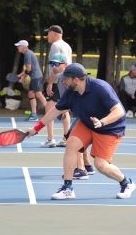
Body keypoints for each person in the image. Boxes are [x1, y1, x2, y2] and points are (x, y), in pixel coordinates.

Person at [29, 63, 135, 200]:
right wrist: (35, 128)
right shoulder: (71, 92)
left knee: (100, 165)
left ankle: (126, 183)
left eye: (65, 78)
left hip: (110, 128)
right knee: (71, 144)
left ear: (76, 79)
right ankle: (67, 188)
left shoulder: (100, 88)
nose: (62, 81)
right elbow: (56, 110)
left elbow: (119, 111)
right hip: (87, 123)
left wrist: (102, 122)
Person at [48, 53, 95, 180]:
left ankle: (81, 170)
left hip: (85, 112)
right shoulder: (59, 78)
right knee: (77, 138)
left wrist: (63, 109)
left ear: (65, 65)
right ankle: (87, 165)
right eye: (52, 63)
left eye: (57, 63)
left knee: (74, 138)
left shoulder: (70, 79)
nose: (54, 66)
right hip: (78, 111)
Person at [43, 25, 72, 147]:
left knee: (49, 109)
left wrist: (50, 83)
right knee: (64, 110)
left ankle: (50, 140)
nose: (47, 36)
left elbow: (58, 67)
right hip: (66, 81)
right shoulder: (67, 46)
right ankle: (66, 138)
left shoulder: (55, 46)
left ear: (54, 34)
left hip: (57, 81)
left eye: (48, 33)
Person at [14, 40, 47, 121]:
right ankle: (34, 115)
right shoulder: (27, 53)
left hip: (36, 77)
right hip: (34, 77)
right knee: (31, 94)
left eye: (19, 46)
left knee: (38, 94)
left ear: (23, 47)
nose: (17, 47)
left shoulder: (28, 54)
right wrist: (20, 75)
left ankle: (52, 111)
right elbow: (27, 69)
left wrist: (22, 77)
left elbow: (29, 69)